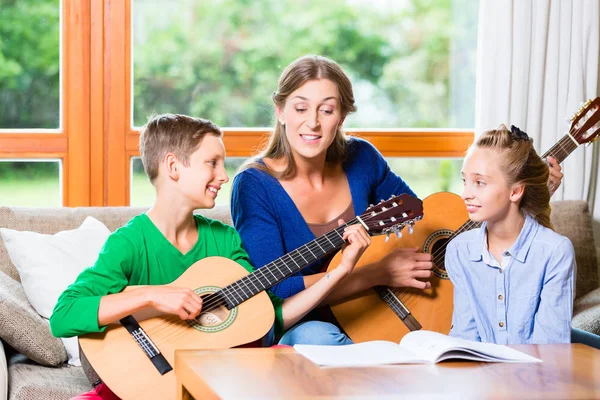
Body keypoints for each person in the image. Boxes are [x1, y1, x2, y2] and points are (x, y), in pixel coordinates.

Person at [230, 55, 565, 346]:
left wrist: (525, 197)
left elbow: (426, 219)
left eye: (327, 109)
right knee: (313, 338)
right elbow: (274, 293)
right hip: (310, 325)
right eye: (301, 107)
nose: (313, 122)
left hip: (385, 311)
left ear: (342, 117)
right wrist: (377, 273)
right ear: (280, 110)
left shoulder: (361, 158)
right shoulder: (255, 185)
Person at [49, 114, 370, 399]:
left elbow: (271, 318)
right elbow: (64, 315)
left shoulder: (225, 240)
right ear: (173, 167)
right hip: (154, 374)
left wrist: (340, 270)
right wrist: (153, 296)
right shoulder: (130, 243)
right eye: (212, 163)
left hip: (226, 373)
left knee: (309, 347)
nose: (224, 176)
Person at [447, 124, 583, 344]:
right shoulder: (459, 250)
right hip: (480, 376)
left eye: (479, 183)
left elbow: (550, 349)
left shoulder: (555, 252)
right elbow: (465, 338)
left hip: (540, 375)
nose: (465, 194)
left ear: (516, 191)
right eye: (465, 181)